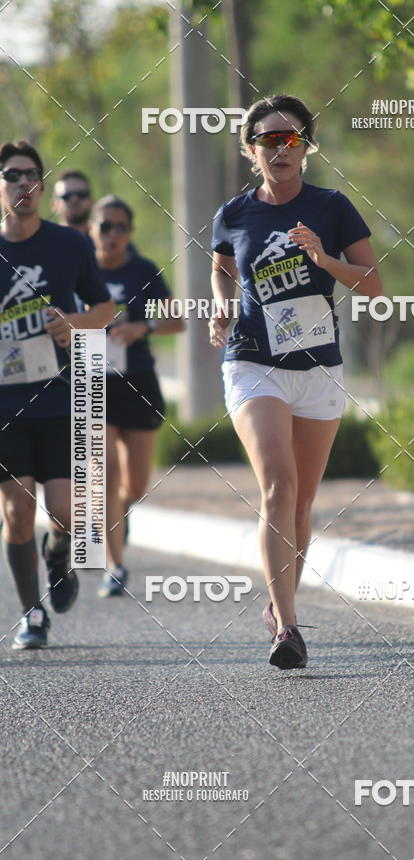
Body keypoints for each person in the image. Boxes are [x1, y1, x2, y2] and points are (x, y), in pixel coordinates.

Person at [209, 94, 382, 669]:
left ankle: (279, 599)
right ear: (250, 149)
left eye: (290, 138)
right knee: (278, 489)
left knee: (303, 506)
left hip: (318, 366)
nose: (279, 148)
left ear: (306, 146)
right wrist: (220, 306)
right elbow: (221, 266)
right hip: (253, 360)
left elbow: (373, 286)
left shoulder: (332, 207)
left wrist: (324, 259)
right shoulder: (234, 214)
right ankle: (288, 628)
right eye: (267, 139)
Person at [0, 141, 115, 649]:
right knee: (17, 509)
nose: (22, 183)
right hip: (6, 404)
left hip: (62, 396)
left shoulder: (69, 245)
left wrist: (76, 324)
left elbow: (106, 310)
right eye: (11, 175)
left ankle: (59, 554)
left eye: (31, 175)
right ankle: (32, 614)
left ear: (43, 188)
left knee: (65, 510)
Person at [89, 195, 184, 598]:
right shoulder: (78, 269)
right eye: (105, 226)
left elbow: (175, 321)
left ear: (130, 233)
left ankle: (119, 512)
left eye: (120, 227)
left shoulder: (143, 270)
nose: (112, 234)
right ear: (92, 228)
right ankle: (116, 565)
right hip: (92, 381)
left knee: (136, 486)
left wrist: (139, 327)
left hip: (138, 381)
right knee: (106, 474)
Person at [52, 169, 93, 238]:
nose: (74, 200)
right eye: (66, 196)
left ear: (91, 202)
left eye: (81, 194)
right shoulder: (45, 244)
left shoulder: (105, 243)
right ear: (54, 205)